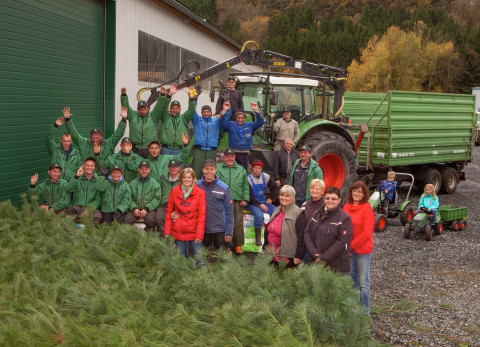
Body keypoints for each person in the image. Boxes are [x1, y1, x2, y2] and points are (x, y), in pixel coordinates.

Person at [343, 181, 375, 315]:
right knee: (352, 281)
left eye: (359, 192)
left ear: (364, 194)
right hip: (349, 250)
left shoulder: (367, 209)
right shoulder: (346, 206)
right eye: (354, 190)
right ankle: (354, 309)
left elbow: (366, 233)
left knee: (363, 283)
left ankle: (365, 311)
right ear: (351, 192)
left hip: (362, 251)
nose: (356, 193)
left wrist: (351, 245)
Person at [304, 186, 353, 274]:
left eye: (334, 199)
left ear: (339, 200)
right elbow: (307, 232)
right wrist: (314, 253)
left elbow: (342, 241)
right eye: (327, 198)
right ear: (324, 199)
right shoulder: (317, 213)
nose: (330, 201)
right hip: (315, 260)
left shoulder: (345, 218)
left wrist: (323, 257)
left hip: (335, 265)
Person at [164, 168, 206, 268]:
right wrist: (167, 232)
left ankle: (205, 279)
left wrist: (199, 235)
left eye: (189, 177)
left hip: (194, 230)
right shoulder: (174, 191)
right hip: (178, 230)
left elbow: (202, 215)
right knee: (181, 261)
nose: (187, 179)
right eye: (184, 177)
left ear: (193, 179)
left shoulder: (199, 192)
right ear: (181, 178)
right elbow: (169, 212)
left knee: (200, 259)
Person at [120, 86, 174, 158]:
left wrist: (162, 94)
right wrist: (124, 95)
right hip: (135, 149)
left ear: (148, 108)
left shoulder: (153, 116)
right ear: (137, 109)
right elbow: (125, 106)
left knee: (149, 168)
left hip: (149, 149)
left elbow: (159, 106)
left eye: (144, 109)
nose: (142, 111)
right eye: (140, 109)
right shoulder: (133, 116)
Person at [216, 148, 249, 254]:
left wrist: (245, 198)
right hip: (221, 199)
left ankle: (238, 244)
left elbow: (245, 185)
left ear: (234, 157)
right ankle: (223, 245)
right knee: (221, 222)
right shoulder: (217, 168)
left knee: (237, 223)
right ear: (224, 157)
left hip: (236, 199)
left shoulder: (241, 169)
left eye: (232, 156)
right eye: (227, 156)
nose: (230, 158)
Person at [197, 159, 234, 250]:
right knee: (202, 257)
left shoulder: (224, 187)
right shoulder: (196, 186)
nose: (209, 171)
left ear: (215, 170)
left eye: (211, 169)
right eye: (207, 169)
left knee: (222, 257)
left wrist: (229, 232)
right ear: (203, 170)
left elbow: (230, 211)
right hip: (203, 228)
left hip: (220, 228)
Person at [218, 102, 265, 170]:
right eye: (238, 117)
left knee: (243, 172)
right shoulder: (230, 125)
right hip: (233, 154)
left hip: (245, 154)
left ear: (245, 118)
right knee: (233, 171)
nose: (240, 119)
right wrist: (224, 110)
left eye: (242, 118)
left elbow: (261, 122)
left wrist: (256, 110)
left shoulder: (250, 126)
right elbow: (221, 123)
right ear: (236, 117)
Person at [264, 185, 302, 267]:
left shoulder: (298, 213)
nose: (284, 198)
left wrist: (299, 255)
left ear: (293, 198)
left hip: (286, 256)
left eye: (287, 196)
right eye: (282, 195)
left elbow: (301, 236)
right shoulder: (276, 209)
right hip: (271, 253)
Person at [191, 102, 230, 178]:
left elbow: (225, 118)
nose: (206, 113)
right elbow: (192, 110)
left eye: (208, 112)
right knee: (196, 173)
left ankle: (210, 189)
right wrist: (193, 100)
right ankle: (195, 189)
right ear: (201, 113)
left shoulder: (216, 121)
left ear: (211, 113)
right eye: (204, 112)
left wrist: (225, 110)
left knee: (210, 173)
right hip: (199, 150)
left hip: (211, 151)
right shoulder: (197, 120)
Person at [246, 159, 278, 246]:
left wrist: (271, 198)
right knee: (259, 215)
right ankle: (258, 238)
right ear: (252, 168)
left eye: (259, 168)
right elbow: (248, 196)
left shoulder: (266, 177)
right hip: (252, 203)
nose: (257, 170)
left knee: (276, 211)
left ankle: (270, 234)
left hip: (263, 201)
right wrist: (259, 205)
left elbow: (274, 187)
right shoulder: (248, 178)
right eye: (255, 168)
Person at [294, 179, 326, 265]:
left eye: (317, 189)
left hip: (320, 243)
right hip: (307, 242)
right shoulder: (305, 204)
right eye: (312, 188)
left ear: (322, 191)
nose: (314, 191)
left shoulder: (326, 204)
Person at [157, 86, 196, 155]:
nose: (175, 110)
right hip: (166, 150)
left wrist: (191, 98)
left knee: (179, 166)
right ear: (170, 109)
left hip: (180, 150)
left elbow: (191, 110)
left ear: (180, 109)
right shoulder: (165, 117)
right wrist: (169, 95)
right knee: (165, 166)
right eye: (173, 108)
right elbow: (164, 107)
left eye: (177, 108)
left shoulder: (184, 118)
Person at [125, 160, 162, 231]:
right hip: (135, 209)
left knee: (151, 221)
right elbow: (128, 197)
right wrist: (134, 208)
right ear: (138, 170)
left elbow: (157, 199)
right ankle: (131, 239)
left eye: (146, 169)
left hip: (149, 209)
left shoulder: (155, 184)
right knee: (127, 220)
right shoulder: (132, 183)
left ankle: (148, 240)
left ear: (149, 170)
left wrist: (147, 209)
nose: (144, 171)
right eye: (142, 169)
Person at [64, 157, 102, 223]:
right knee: (69, 211)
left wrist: (88, 210)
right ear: (83, 166)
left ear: (94, 167)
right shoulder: (77, 178)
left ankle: (93, 233)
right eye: (87, 165)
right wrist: (77, 176)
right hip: (79, 207)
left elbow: (98, 200)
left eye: (92, 166)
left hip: (92, 208)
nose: (89, 168)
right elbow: (69, 189)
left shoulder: (98, 181)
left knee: (97, 218)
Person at [45, 117, 82, 181]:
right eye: (64, 141)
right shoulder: (55, 149)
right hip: (57, 182)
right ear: (61, 140)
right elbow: (49, 139)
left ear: (71, 141)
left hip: (70, 183)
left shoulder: (76, 153)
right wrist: (55, 125)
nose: (66, 143)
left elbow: (80, 169)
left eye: (68, 141)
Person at [155, 159, 182, 235]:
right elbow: (158, 192)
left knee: (180, 219)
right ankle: (165, 240)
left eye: (175, 167)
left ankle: (178, 241)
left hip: (178, 205)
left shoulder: (183, 179)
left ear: (179, 168)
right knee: (158, 218)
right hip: (164, 205)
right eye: (170, 166)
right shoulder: (162, 179)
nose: (172, 169)